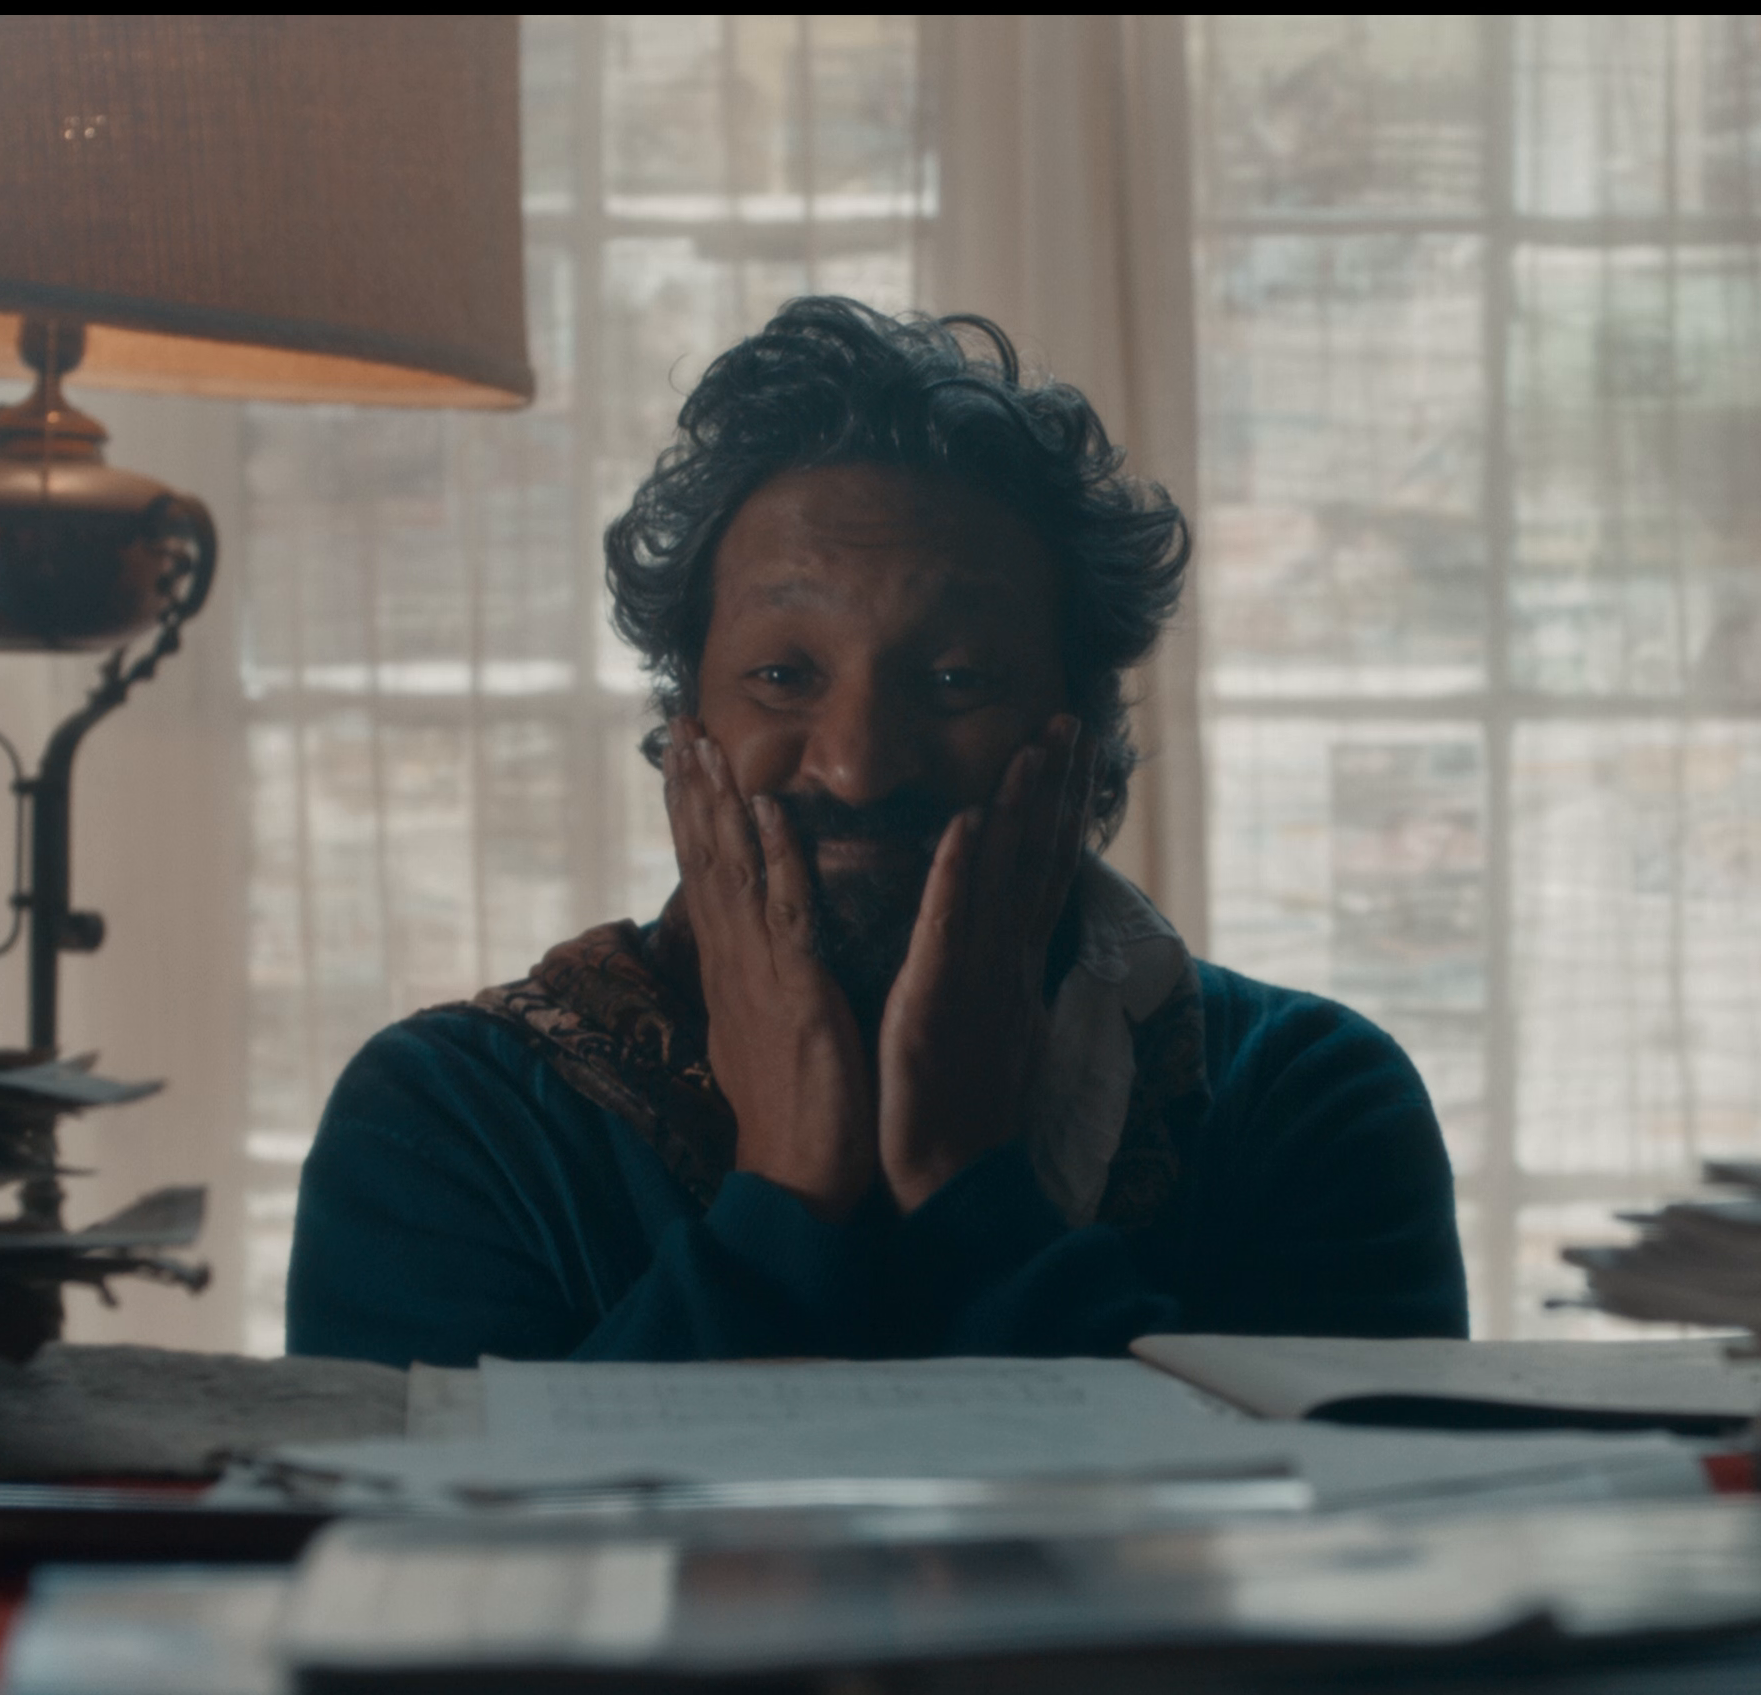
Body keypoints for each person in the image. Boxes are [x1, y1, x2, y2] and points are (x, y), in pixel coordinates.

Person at [286, 299, 1466, 1364]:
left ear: (1084, 728)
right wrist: (784, 1198)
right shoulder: (447, 1120)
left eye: (955, 679)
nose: (858, 766)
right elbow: (474, 1532)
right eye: (783, 675)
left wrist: (966, 1185)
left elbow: (1304, 1522)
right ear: (687, 726)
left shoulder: (1304, 1102)